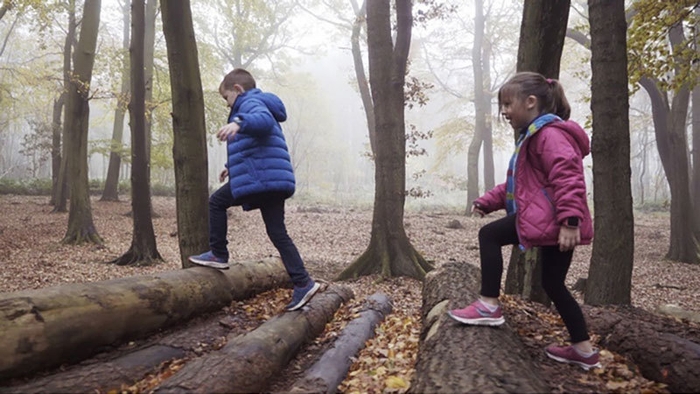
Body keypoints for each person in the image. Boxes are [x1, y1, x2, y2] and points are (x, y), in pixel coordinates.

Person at [447, 71, 601, 370]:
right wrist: (487, 201)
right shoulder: (533, 137)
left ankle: (489, 305)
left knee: (489, 236)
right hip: (553, 223)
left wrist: (571, 220)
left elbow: (568, 177)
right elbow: (518, 183)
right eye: (502, 105)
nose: (504, 111)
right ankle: (584, 350)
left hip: (555, 222)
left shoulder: (549, 136)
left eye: (507, 104)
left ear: (530, 102)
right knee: (553, 284)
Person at [189, 68, 320, 312]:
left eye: (227, 98)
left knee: (216, 202)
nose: (228, 104)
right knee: (277, 233)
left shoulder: (251, 103)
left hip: (262, 178)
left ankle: (218, 254)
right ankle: (303, 282)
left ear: (237, 89)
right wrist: (231, 167)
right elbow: (257, 144)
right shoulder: (258, 103)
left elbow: (262, 121)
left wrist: (239, 123)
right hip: (271, 179)